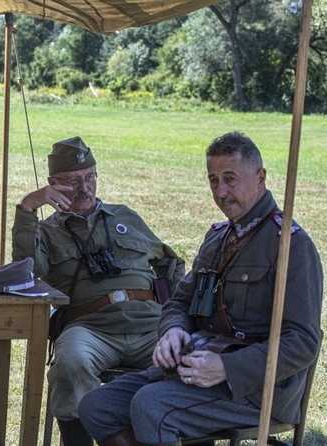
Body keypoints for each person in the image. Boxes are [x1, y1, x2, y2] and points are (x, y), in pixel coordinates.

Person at [79, 131, 323, 446]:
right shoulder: (218, 238)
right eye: (213, 180)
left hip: (258, 390)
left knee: (152, 405)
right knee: (96, 405)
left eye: (230, 179)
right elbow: (179, 302)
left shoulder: (291, 245)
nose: (221, 191)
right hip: (197, 367)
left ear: (260, 177)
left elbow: (303, 342)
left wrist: (227, 367)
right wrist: (173, 330)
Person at [12, 136, 186, 446]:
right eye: (71, 181)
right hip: (91, 328)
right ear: (52, 184)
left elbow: (170, 264)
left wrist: (175, 314)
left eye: (89, 176)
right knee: (69, 366)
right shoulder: (48, 230)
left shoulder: (125, 217)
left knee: (191, 358)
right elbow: (24, 269)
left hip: (149, 324)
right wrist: (28, 208)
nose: (83, 187)